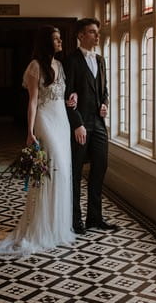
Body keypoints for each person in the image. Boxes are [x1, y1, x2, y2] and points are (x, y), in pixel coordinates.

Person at [0, 26, 77, 257]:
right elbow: (33, 101)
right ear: (46, 42)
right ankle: (40, 229)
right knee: (51, 172)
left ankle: (57, 228)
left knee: (63, 173)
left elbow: (60, 95)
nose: (60, 42)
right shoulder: (35, 66)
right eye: (56, 39)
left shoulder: (60, 66)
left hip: (62, 122)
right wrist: (30, 131)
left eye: (60, 38)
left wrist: (71, 100)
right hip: (45, 121)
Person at [64, 18, 119, 235]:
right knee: (76, 172)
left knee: (100, 168)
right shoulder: (71, 61)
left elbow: (104, 90)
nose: (97, 36)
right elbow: (67, 95)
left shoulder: (100, 59)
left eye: (97, 32)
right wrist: (76, 123)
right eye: (92, 32)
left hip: (98, 124)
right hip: (80, 125)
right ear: (81, 35)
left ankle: (95, 218)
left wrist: (104, 105)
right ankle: (75, 221)